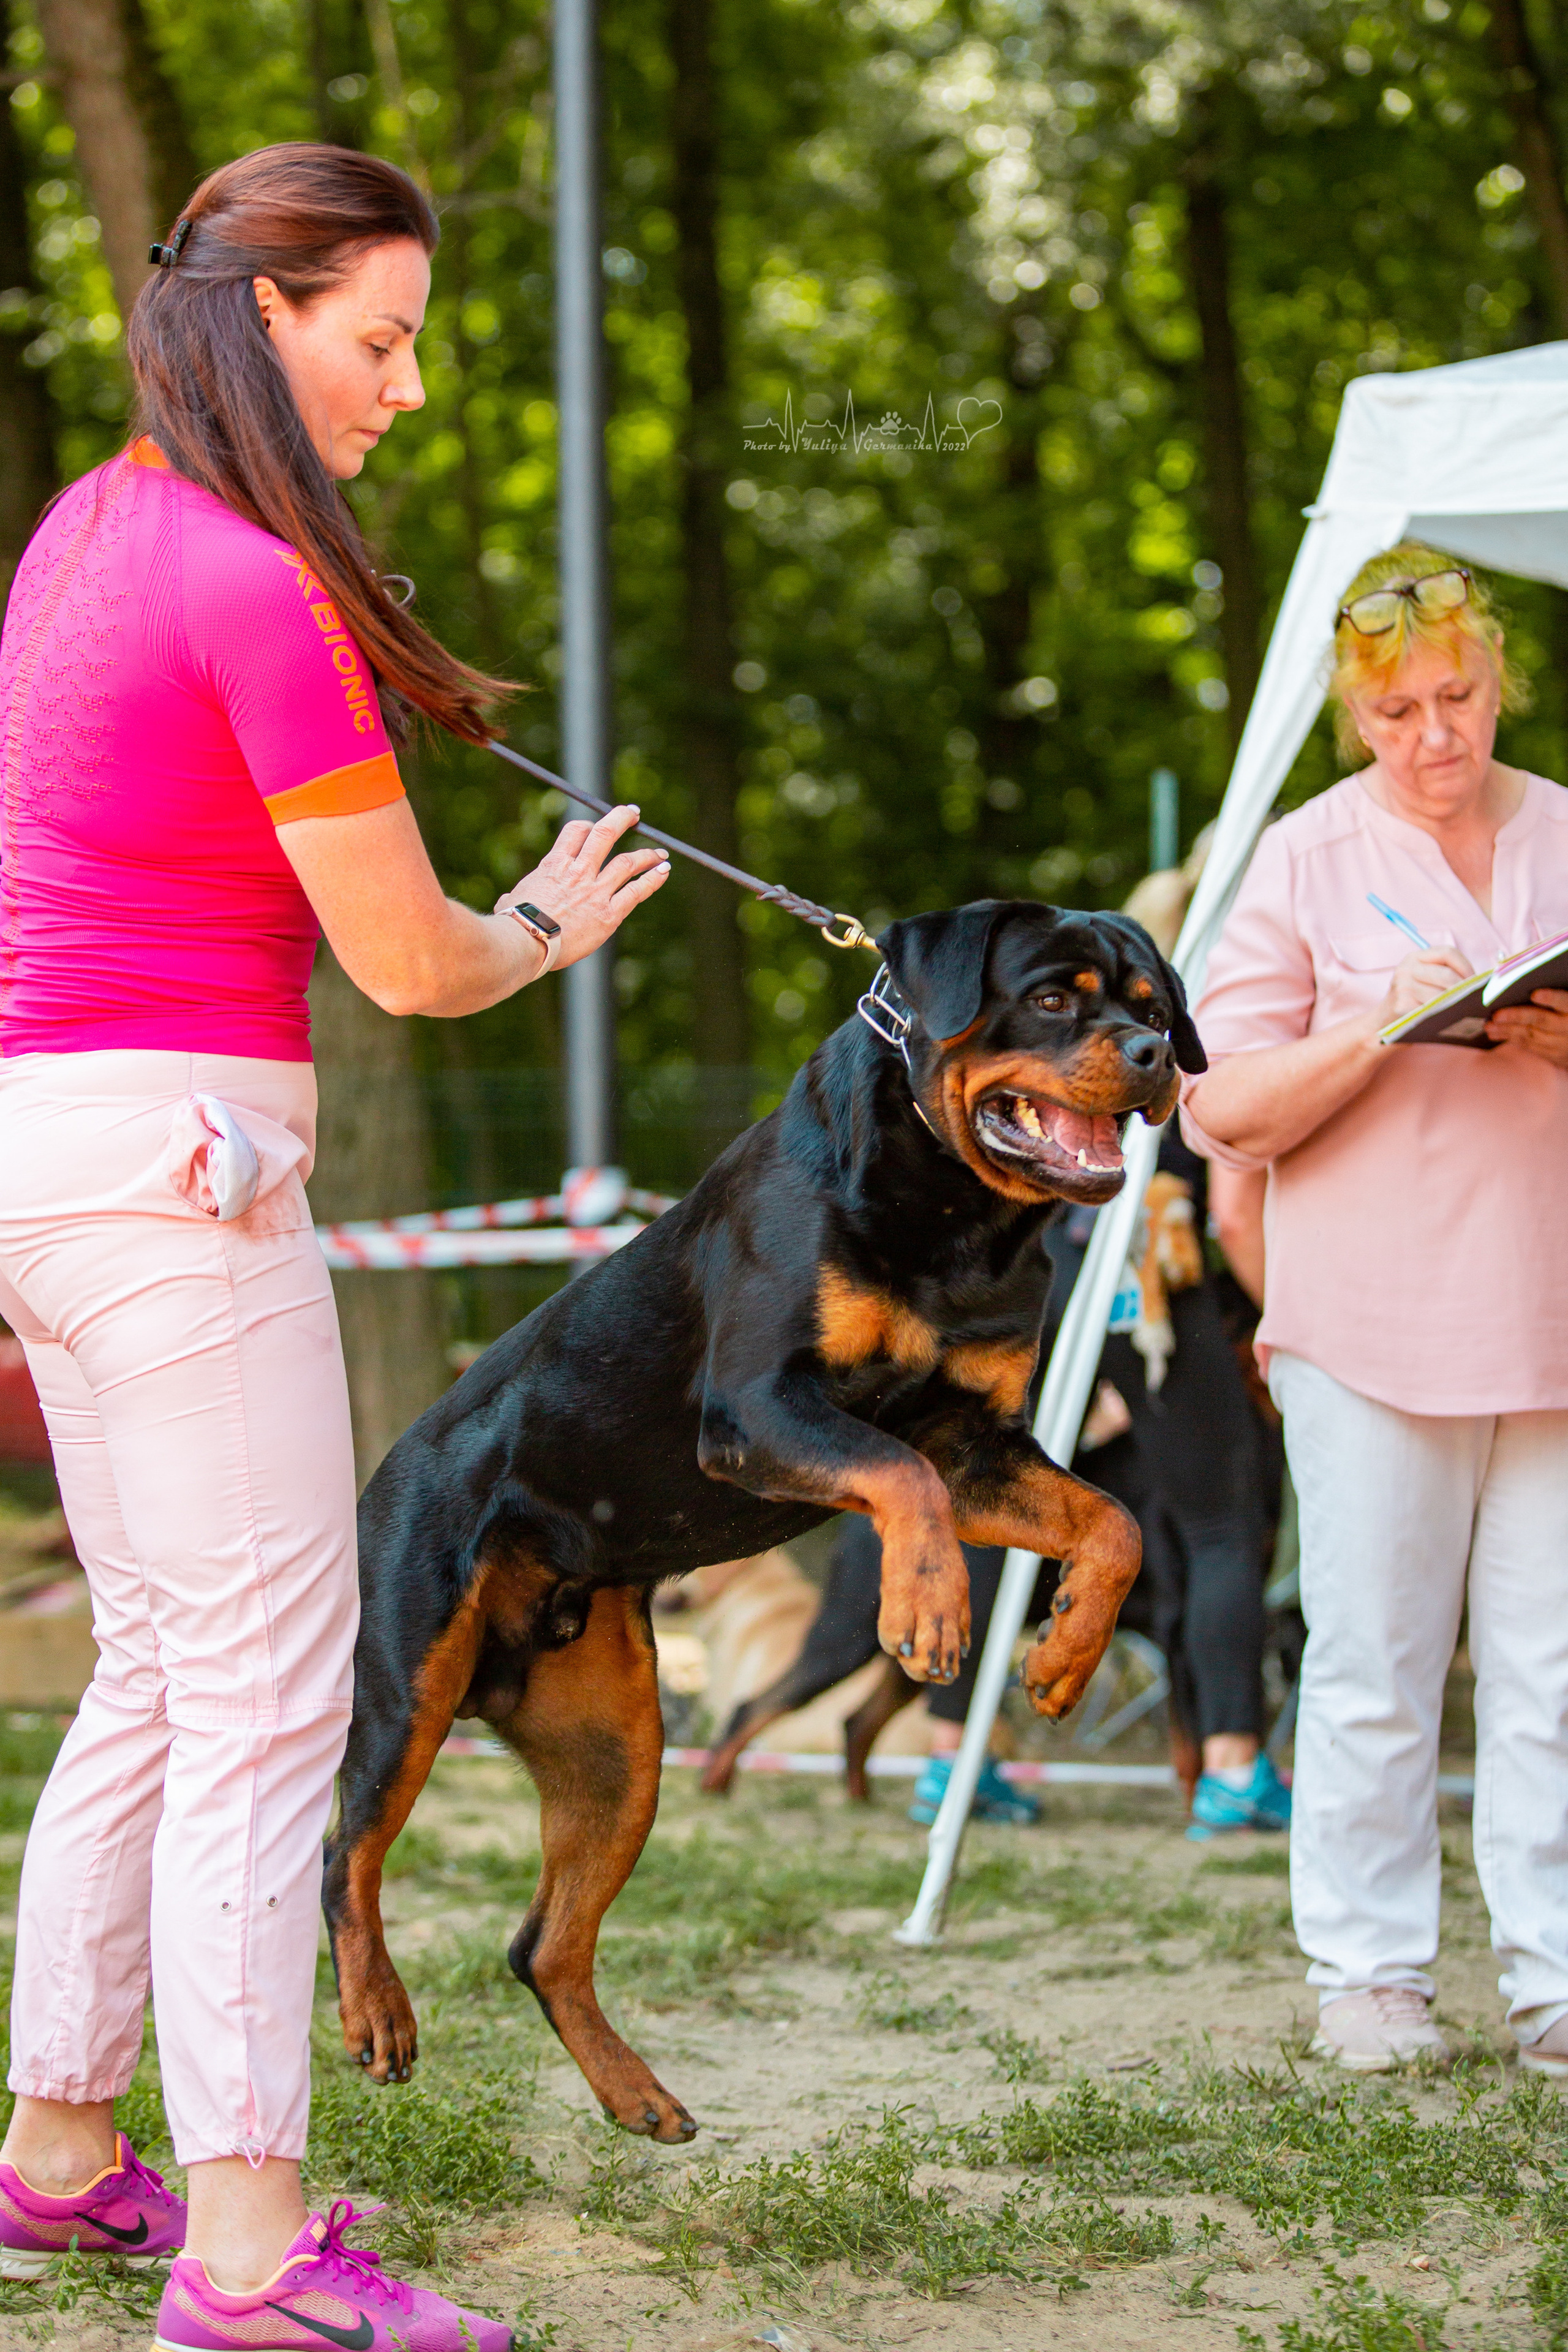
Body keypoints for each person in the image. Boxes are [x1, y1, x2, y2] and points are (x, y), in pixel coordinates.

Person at [0, 146, 667, 2346]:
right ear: (260, 319)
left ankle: (63, 2155)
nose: (400, 385)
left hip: (47, 1161)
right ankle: (258, 2259)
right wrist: (549, 921)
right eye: (376, 337)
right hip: (184, 1187)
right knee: (274, 1701)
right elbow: (414, 966)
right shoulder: (253, 585)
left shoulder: (87, 530)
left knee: (164, 1677)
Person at [1182, 543, 1568, 2073]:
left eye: (1458, 696)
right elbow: (1218, 1109)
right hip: (1367, 1323)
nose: (1435, 735)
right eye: (1398, 707)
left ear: (1497, 688)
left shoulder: (1561, 825)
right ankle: (1369, 1975)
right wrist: (1378, 1029)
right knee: (1373, 1664)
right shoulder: (1299, 856)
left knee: (1549, 1673)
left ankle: (1550, 1982)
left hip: (1547, 1322)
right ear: (1353, 715)